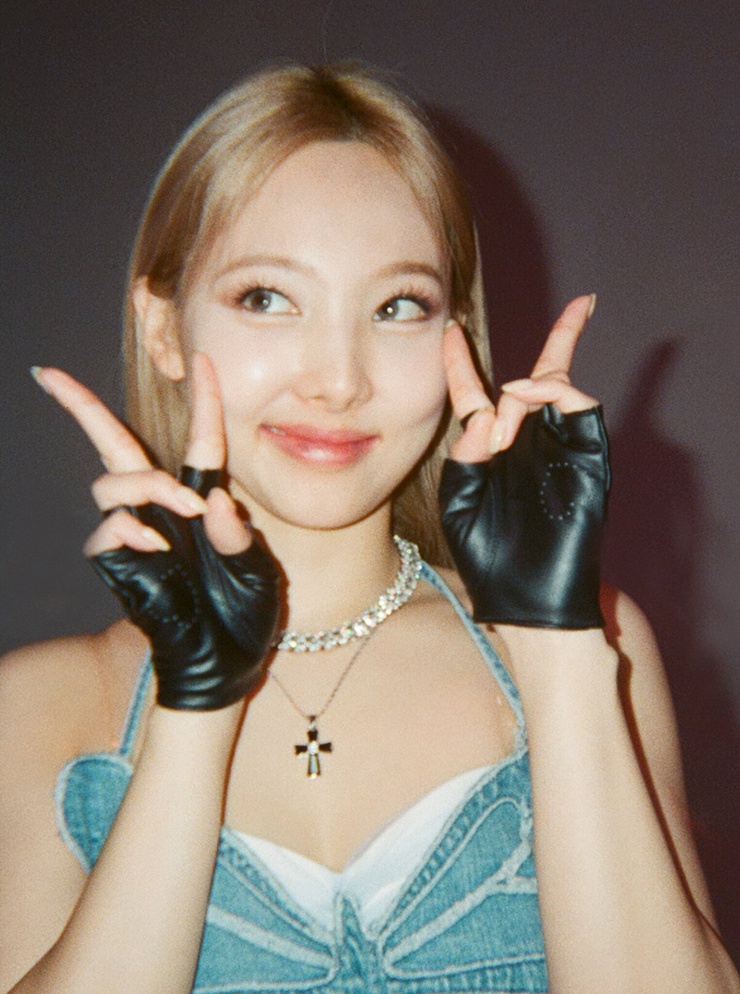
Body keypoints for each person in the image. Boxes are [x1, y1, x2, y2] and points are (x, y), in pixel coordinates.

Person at [0, 62, 737, 994]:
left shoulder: (602, 640)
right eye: (267, 298)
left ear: (455, 338)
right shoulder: (43, 709)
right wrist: (194, 719)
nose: (339, 379)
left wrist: (555, 652)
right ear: (162, 329)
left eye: (397, 307)